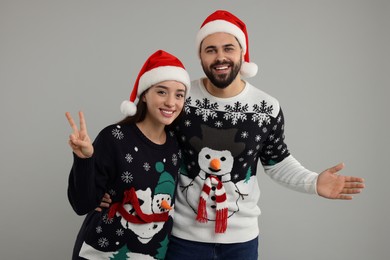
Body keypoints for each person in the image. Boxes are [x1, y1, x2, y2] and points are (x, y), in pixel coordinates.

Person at [97, 10, 365, 260]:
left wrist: (313, 182)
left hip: (242, 241)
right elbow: (147, 143)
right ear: (200, 57)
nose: (220, 57)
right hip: (181, 238)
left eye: (228, 48)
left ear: (242, 54)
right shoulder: (180, 98)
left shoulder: (266, 107)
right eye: (210, 50)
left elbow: (277, 161)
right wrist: (110, 187)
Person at [66, 49, 190, 259]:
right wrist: (84, 159)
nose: (171, 102)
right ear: (144, 95)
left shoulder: (175, 146)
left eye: (179, 95)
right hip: (100, 253)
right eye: (161, 92)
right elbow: (82, 205)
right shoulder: (114, 138)